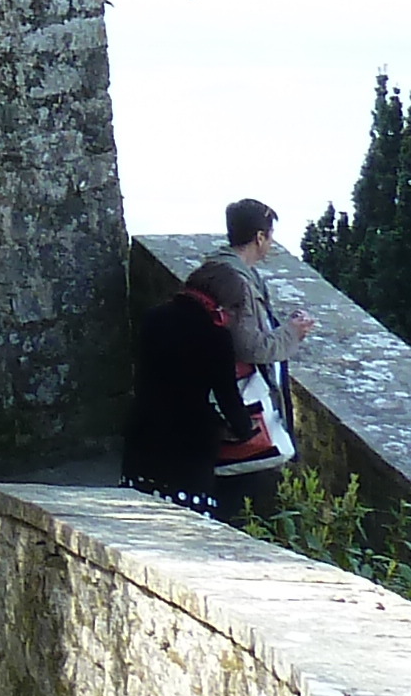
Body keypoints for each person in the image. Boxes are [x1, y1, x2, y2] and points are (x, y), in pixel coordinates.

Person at [189, 199, 314, 517]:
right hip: (237, 403)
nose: (271, 243)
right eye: (270, 236)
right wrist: (292, 333)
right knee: (241, 488)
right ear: (259, 237)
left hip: (211, 397)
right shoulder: (238, 283)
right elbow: (250, 347)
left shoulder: (213, 271)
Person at [122, 278, 255, 523]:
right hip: (188, 446)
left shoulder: (152, 318)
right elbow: (228, 398)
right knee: (186, 525)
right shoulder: (215, 338)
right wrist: (246, 430)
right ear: (223, 306)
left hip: (143, 434)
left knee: (140, 520)